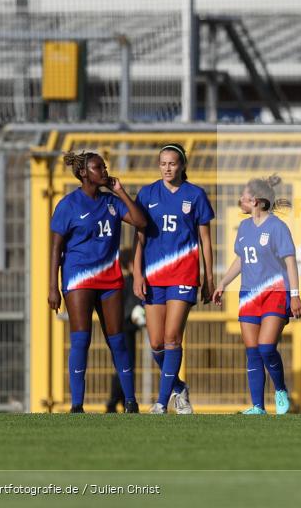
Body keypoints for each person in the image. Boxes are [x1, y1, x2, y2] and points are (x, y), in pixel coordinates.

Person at [49, 150, 147, 414]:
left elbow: (141, 222)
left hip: (110, 278)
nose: (104, 171)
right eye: (98, 168)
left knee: (117, 341)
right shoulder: (68, 205)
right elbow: (55, 248)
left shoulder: (112, 202)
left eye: (104, 167)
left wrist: (121, 192)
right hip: (79, 278)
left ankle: (130, 402)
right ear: (83, 173)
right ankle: (77, 405)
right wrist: (53, 288)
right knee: (81, 340)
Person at [133, 143, 215, 415]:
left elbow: (205, 239)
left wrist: (209, 277)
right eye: (163, 163)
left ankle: (161, 401)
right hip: (154, 275)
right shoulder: (147, 194)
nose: (168, 168)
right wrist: (137, 274)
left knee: (172, 338)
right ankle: (179, 388)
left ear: (182, 166)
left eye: (173, 163)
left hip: (183, 274)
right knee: (156, 342)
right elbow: (140, 237)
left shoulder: (195, 195)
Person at [213, 176, 301, 415]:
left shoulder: (277, 227)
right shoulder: (244, 227)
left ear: (257, 201)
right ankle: (258, 407)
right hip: (249, 295)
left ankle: (281, 390)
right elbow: (242, 259)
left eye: (244, 196)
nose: (240, 200)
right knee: (252, 351)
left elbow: (291, 263)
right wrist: (223, 282)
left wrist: (294, 295)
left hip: (275, 293)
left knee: (266, 347)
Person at [104, 249, 146, 413]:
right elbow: (132, 308)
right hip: (125, 328)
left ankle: (118, 401)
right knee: (126, 366)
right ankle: (115, 401)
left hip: (122, 328)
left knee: (122, 365)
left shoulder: (120, 281)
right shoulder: (129, 281)